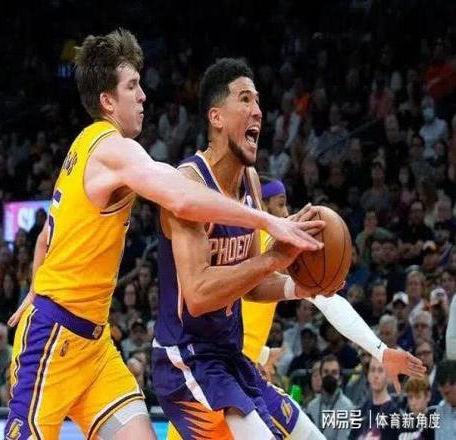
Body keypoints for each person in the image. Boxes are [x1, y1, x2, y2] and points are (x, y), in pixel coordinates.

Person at [5, 30, 321, 440]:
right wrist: (267, 222)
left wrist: (36, 287)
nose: (143, 96)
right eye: (132, 86)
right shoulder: (113, 149)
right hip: (54, 339)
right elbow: (182, 198)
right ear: (107, 101)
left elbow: (46, 237)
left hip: (95, 348)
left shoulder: (83, 146)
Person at [156, 58, 425, 440]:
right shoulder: (189, 184)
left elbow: (251, 288)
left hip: (230, 360)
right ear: (216, 117)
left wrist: (303, 287)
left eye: (258, 101)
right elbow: (198, 296)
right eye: (245, 99)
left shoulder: (250, 180)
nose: (258, 111)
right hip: (186, 359)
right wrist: (272, 260)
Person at [306, 354, 355, 440]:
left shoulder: (347, 408)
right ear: (320, 376)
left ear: (340, 379)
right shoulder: (311, 407)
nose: (329, 376)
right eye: (326, 372)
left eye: (334, 373)